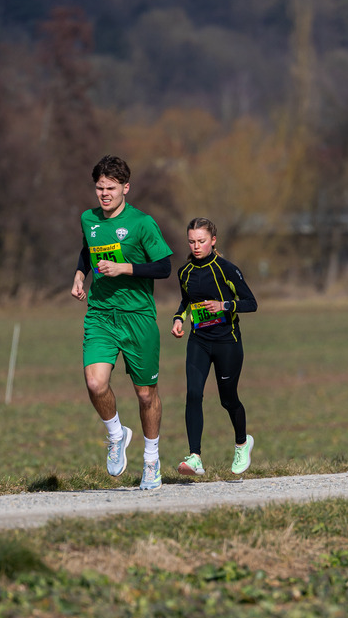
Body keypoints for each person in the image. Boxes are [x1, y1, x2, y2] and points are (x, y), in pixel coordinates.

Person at [71, 155, 172, 490]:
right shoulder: (88, 218)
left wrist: (125, 268)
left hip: (138, 317)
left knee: (145, 396)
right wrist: (80, 274)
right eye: (99, 187)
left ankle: (151, 461)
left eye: (111, 188)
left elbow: (164, 267)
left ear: (125, 188)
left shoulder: (143, 223)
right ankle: (116, 434)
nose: (104, 194)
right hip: (100, 314)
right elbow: (89, 249)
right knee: (95, 383)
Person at [171, 217, 257, 476]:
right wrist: (178, 318)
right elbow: (186, 301)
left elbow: (251, 303)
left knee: (228, 399)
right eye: (192, 241)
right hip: (198, 341)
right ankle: (195, 457)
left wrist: (224, 306)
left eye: (201, 241)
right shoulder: (184, 272)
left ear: (213, 240)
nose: (196, 246)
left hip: (227, 341)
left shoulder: (227, 269)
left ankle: (243, 443)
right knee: (193, 394)